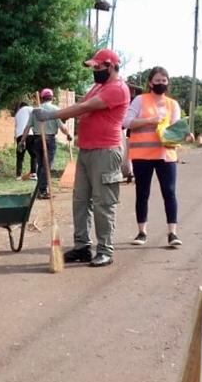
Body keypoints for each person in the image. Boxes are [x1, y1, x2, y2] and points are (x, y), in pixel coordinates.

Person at [33, 48, 130, 267]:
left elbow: (85, 107)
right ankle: (82, 247)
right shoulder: (97, 86)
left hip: (106, 151)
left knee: (103, 203)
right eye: (93, 67)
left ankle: (105, 249)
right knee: (80, 200)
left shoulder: (118, 89)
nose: (95, 70)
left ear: (112, 66)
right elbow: (81, 108)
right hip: (86, 150)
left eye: (99, 67)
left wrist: (51, 115)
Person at [124, 66, 189, 248]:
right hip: (142, 155)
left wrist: (184, 134)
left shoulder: (172, 104)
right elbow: (126, 122)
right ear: (150, 82)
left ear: (167, 83)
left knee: (169, 193)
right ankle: (142, 232)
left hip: (165, 155)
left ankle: (172, 233)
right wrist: (148, 121)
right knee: (142, 194)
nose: (160, 83)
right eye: (157, 80)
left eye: (164, 81)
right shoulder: (139, 100)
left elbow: (176, 128)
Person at [21, 88, 72, 199]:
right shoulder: (55, 109)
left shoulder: (35, 111)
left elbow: (27, 127)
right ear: (52, 98)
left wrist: (22, 140)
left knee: (41, 165)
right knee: (46, 166)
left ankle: (39, 190)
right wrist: (68, 135)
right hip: (49, 140)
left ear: (42, 98)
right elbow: (62, 127)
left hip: (37, 140)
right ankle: (43, 190)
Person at [13, 100, 32, 177]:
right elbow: (37, 114)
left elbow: (16, 126)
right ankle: (34, 173)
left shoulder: (17, 114)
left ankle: (18, 175)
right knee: (34, 155)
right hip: (29, 134)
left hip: (19, 136)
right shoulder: (29, 108)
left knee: (20, 156)